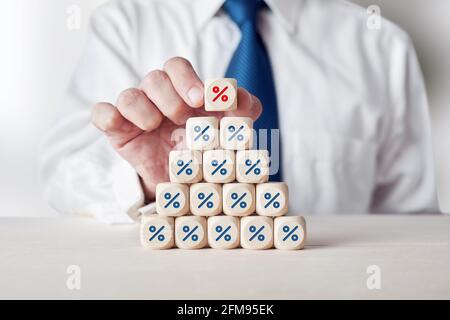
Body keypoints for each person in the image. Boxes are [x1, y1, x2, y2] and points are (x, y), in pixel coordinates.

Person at [40, 0, 439, 223]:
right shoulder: (123, 24)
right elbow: (60, 179)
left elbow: (413, 229)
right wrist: (148, 181)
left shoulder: (382, 47)